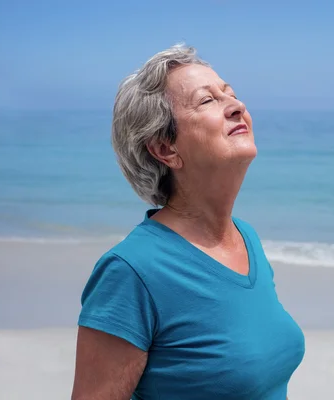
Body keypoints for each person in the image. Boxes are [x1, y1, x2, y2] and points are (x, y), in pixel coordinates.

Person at [71, 44, 305, 400]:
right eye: (207, 101)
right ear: (165, 149)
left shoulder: (247, 238)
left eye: (231, 94)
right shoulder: (131, 272)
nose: (237, 106)